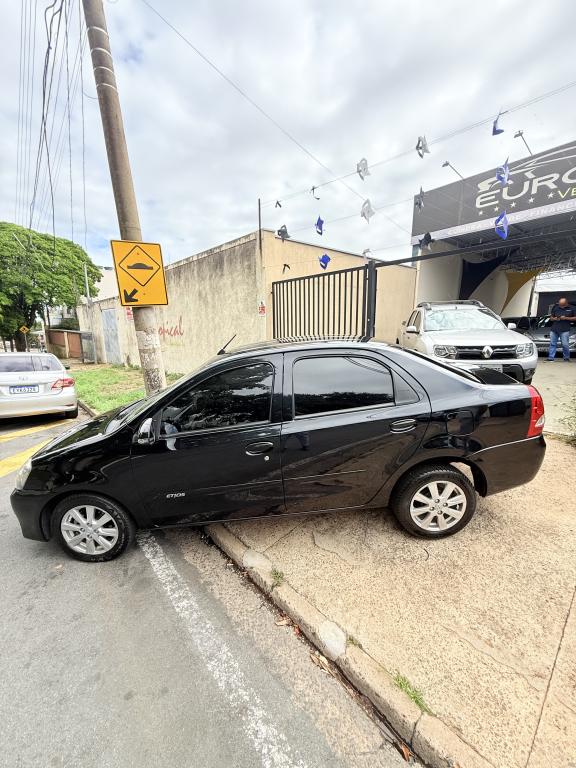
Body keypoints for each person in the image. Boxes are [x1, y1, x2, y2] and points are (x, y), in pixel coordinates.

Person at [547, 297, 575, 361]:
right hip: (554, 329)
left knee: (565, 344)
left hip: (564, 329)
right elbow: (551, 317)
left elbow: (575, 318)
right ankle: (551, 358)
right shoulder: (556, 307)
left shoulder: (572, 308)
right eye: (560, 304)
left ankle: (566, 358)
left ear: (566, 303)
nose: (560, 306)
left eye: (562, 305)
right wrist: (555, 318)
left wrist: (565, 318)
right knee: (552, 343)